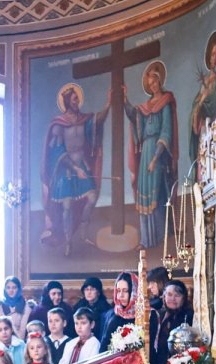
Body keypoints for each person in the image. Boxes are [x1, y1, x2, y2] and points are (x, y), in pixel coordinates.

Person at [41, 82, 109, 251]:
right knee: (67, 206)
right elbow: (57, 151)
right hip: (66, 168)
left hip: (81, 163)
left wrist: (108, 104)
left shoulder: (84, 120)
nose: (77, 101)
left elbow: (98, 121)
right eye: (73, 99)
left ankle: (83, 235)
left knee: (92, 197)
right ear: (67, 101)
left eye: (77, 98)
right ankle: (68, 242)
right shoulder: (59, 124)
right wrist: (75, 168)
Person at [123, 60, 178, 249]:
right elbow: (134, 116)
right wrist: (125, 99)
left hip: (157, 153)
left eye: (155, 81)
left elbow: (166, 132)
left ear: (160, 81)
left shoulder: (166, 102)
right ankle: (145, 240)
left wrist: (155, 158)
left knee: (157, 193)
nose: (153, 85)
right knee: (144, 193)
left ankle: (160, 238)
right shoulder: (145, 107)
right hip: (145, 151)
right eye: (150, 83)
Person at [189, 32, 216, 181]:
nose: (214, 58)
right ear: (208, 57)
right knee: (203, 166)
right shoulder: (205, 81)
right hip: (204, 129)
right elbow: (196, 106)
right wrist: (201, 101)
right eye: (212, 54)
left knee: (213, 161)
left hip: (214, 127)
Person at [149, 279, 194, 364]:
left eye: (177, 295)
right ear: (163, 296)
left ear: (184, 298)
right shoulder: (156, 315)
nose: (172, 299)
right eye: (169, 294)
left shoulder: (189, 317)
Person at [101, 271, 138, 348]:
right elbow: (104, 347)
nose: (121, 295)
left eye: (125, 291)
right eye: (118, 291)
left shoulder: (146, 315)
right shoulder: (114, 315)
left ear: (134, 291)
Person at [74, 276, 110, 341]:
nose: (89, 292)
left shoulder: (106, 308)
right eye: (86, 289)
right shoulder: (78, 306)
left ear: (98, 292)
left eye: (92, 289)